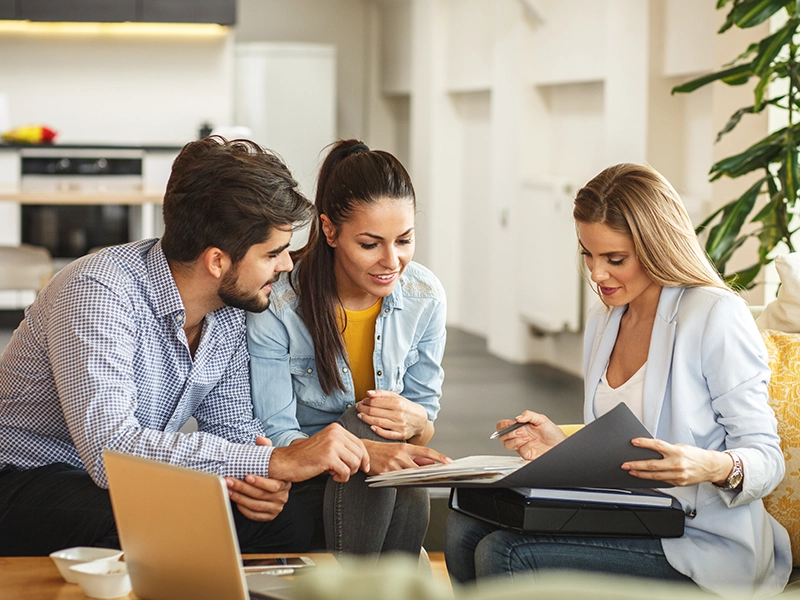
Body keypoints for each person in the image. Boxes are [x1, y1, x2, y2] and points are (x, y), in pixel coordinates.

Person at [0, 136, 371, 557]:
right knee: (148, 518)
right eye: (273, 253)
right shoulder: (98, 291)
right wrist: (271, 463)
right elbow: (111, 451)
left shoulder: (229, 309)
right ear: (217, 261)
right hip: (23, 478)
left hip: (116, 483)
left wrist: (257, 482)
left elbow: (232, 429)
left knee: (285, 521)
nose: (286, 265)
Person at [444, 163, 792, 596]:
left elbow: (767, 459)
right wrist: (561, 445)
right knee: (462, 528)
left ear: (657, 247)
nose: (596, 274)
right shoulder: (605, 320)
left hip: (700, 541)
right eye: (587, 254)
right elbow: (623, 446)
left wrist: (709, 465)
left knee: (507, 552)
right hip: (630, 518)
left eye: (615, 259)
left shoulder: (714, 315)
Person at [247, 139, 450, 556]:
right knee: (361, 424)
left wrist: (415, 421)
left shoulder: (425, 296)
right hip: (308, 474)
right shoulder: (281, 304)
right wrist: (365, 450)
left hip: (383, 476)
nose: (392, 261)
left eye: (405, 240)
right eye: (370, 244)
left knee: (394, 452)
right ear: (329, 230)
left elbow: (423, 426)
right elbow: (276, 433)